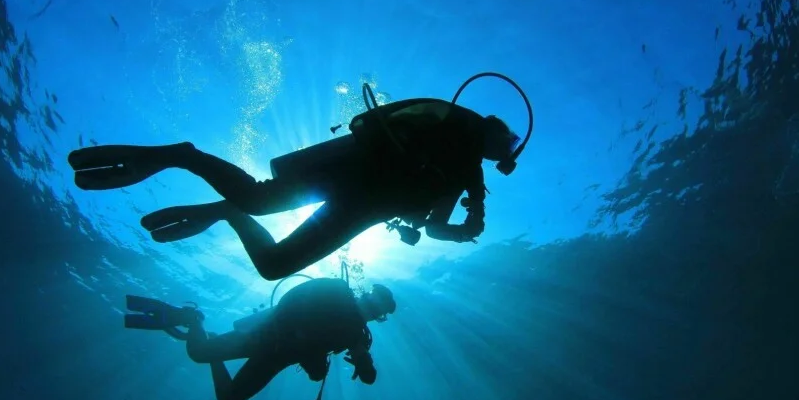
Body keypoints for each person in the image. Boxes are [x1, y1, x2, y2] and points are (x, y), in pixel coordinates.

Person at [68, 98, 521, 281]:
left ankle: (224, 207)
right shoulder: (461, 140)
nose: (509, 153)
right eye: (508, 144)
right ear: (494, 132)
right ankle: (184, 156)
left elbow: (435, 227)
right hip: (350, 177)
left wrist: (464, 230)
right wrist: (474, 210)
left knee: (274, 264)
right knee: (259, 204)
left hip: (359, 210)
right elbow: (445, 212)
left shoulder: (464, 172)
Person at [124, 278, 396, 400]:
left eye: (378, 310)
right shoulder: (337, 289)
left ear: (379, 317)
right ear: (366, 294)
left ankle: (203, 336)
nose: (372, 310)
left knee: (228, 399)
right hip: (261, 335)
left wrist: (361, 363)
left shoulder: (356, 337)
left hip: (275, 359)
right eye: (374, 302)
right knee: (197, 353)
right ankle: (192, 320)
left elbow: (369, 376)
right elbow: (292, 298)